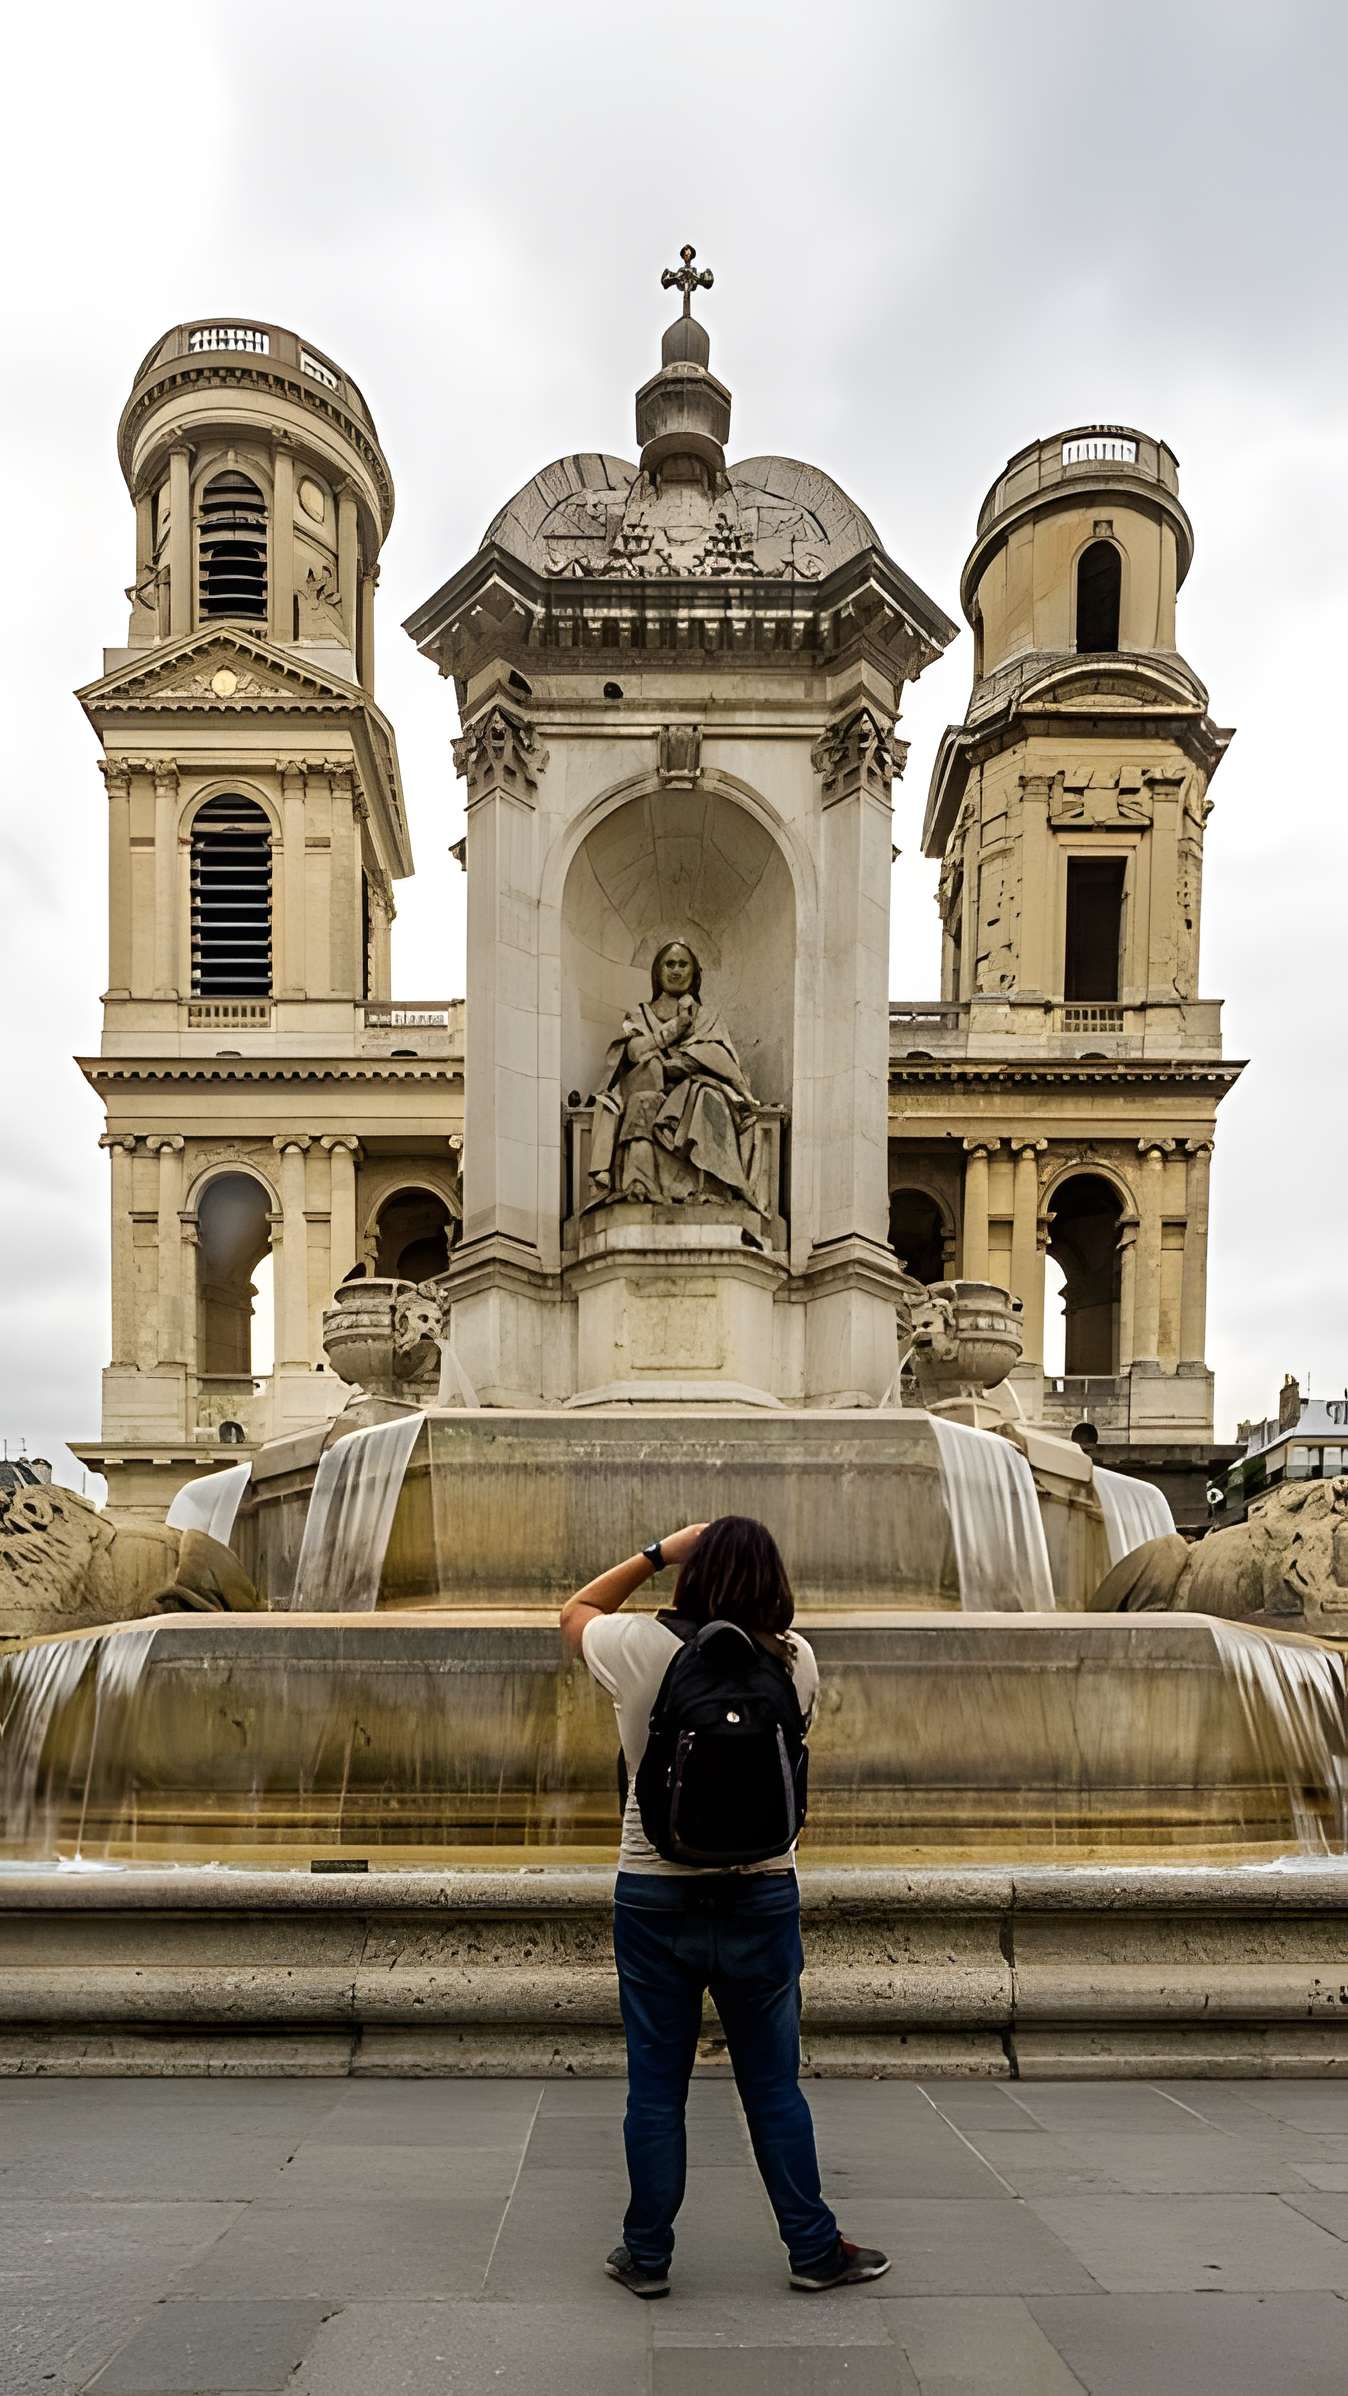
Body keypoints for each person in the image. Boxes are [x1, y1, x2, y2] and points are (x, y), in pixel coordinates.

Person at [560, 1514, 890, 2299]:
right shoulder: (797, 1659)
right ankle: (812, 2250)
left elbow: (573, 1612)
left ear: (692, 1576)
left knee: (656, 2088)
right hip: (762, 1893)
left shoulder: (640, 1649)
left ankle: (647, 2255)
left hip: (652, 1893)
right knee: (774, 2086)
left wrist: (658, 1551)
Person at [587, 939, 762, 1208]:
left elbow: (722, 1060)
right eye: (670, 964)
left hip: (696, 1086)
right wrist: (676, 1027)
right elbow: (634, 1053)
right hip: (651, 1086)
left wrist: (689, 1062)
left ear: (694, 972)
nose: (676, 970)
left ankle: (711, 1187)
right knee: (642, 1101)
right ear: (658, 971)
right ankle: (640, 1186)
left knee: (707, 1097)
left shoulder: (707, 1017)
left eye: (683, 964)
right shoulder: (640, 1014)